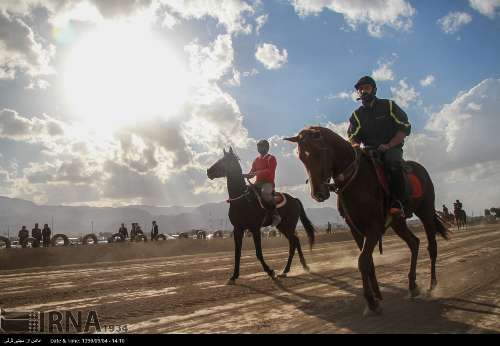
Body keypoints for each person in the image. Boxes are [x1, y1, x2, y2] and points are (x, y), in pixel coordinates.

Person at [347, 75, 412, 217]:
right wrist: (356, 146)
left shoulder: (388, 105)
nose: (363, 91)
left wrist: (389, 145)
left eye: (366, 88)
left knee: (392, 163)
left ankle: (397, 203)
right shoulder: (356, 115)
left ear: (374, 90)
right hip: (369, 151)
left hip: (391, 148)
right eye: (360, 89)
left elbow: (404, 127)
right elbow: (352, 137)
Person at [244, 139, 281, 227]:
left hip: (268, 183)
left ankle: (276, 215)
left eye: (261, 146)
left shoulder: (271, 158)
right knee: (245, 192)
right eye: (258, 146)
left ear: (266, 148)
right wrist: (244, 175)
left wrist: (257, 173)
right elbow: (251, 173)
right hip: (257, 183)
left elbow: (270, 171)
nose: (259, 148)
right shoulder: (256, 160)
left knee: (265, 193)